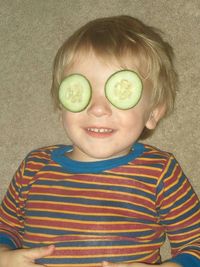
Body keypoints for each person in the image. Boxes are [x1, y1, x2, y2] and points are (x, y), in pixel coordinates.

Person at [0, 15, 199, 267]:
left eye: (120, 92)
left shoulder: (161, 171)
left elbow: (195, 241)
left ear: (152, 113)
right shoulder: (34, 167)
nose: (97, 108)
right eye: (79, 90)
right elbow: (6, 227)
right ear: (62, 104)